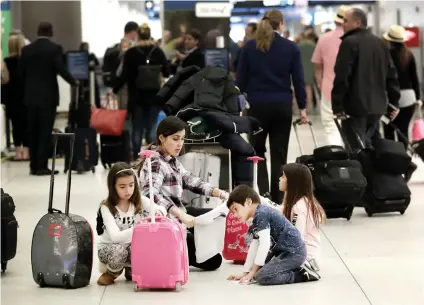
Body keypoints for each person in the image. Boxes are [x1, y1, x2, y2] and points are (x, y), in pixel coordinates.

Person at [136, 116, 229, 271]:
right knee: (214, 261)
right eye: (175, 139)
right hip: (166, 225)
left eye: (182, 139)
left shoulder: (171, 160)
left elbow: (190, 180)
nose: (180, 144)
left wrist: (218, 193)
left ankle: (190, 244)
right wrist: (180, 214)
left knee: (213, 216)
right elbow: (150, 194)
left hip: (178, 217)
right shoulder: (156, 162)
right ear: (162, 138)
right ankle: (174, 254)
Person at [236, 9, 308, 204]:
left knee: (257, 152)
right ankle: (279, 196)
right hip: (282, 106)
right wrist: (302, 108)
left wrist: (240, 105)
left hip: (257, 107)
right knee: (279, 152)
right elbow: (299, 81)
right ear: (281, 24)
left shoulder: (249, 47)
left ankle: (262, 194)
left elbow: (240, 81)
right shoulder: (291, 48)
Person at [332, 8, 400, 151]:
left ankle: (359, 173)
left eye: (345, 21)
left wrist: (337, 105)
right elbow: (391, 75)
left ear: (357, 23)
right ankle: (371, 173)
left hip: (355, 107)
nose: (343, 24)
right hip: (377, 108)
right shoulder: (380, 43)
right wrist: (394, 103)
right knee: (372, 148)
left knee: (355, 150)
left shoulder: (349, 43)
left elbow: (342, 75)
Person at [226, 185, 320, 285]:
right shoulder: (257, 217)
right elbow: (254, 246)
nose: (235, 215)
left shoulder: (262, 214)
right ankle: (292, 268)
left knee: (262, 276)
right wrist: (246, 273)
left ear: (248, 202)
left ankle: (302, 274)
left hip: (294, 253)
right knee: (257, 272)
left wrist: (253, 272)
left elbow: (264, 245)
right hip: (282, 253)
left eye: (236, 209)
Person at [20, 22, 78, 175]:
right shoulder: (54, 49)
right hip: (48, 97)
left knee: (32, 131)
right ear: (51, 32)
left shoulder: (26, 50)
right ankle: (42, 166)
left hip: (30, 97)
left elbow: (21, 73)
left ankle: (33, 165)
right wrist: (74, 82)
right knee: (45, 132)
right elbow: (60, 68)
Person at [96, 162, 166, 286]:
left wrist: (158, 212)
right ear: (113, 187)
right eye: (122, 187)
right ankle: (112, 272)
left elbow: (161, 209)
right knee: (119, 250)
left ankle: (131, 269)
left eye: (131, 185)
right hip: (110, 248)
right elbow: (115, 237)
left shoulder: (139, 201)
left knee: (147, 246)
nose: (128, 190)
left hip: (132, 246)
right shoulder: (106, 207)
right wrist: (139, 228)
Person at [113, 23, 170, 159]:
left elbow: (124, 75)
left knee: (136, 128)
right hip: (154, 97)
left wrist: (114, 89)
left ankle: (136, 157)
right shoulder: (158, 51)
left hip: (136, 97)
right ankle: (151, 157)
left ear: (137, 35)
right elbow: (167, 72)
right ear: (149, 35)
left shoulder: (131, 53)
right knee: (151, 128)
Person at [311, 5, 350, 146]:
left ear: (335, 22)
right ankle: (353, 162)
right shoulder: (357, 40)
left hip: (329, 88)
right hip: (353, 91)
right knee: (352, 127)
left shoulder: (324, 38)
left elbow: (317, 66)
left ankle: (336, 161)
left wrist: (321, 83)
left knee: (330, 126)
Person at [279, 163, 325, 271]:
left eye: (283, 176)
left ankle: (303, 273)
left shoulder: (299, 207)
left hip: (305, 257)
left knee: (265, 272)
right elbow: (278, 210)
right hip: (307, 254)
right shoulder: (303, 201)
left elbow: (297, 237)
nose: (280, 179)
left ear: (293, 182)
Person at [1, 34, 29, 161]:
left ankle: (18, 152)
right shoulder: (26, 60)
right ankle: (27, 152)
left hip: (12, 98)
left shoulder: (6, 61)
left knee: (16, 126)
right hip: (26, 96)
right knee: (27, 125)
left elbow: (5, 80)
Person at [297, 31, 316, 112]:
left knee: (297, 90)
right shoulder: (313, 45)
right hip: (310, 70)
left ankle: (300, 108)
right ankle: (308, 108)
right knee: (308, 89)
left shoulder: (298, 46)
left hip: (299, 70)